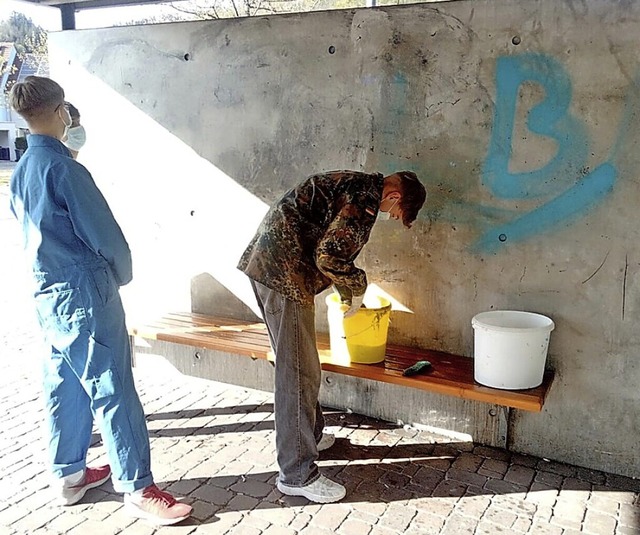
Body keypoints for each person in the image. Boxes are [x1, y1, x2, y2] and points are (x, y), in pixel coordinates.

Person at [8, 76, 193, 526]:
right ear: (59, 113)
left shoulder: (21, 171)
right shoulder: (65, 170)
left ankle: (70, 474)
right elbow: (105, 236)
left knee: (63, 382)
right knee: (112, 386)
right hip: (84, 292)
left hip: (46, 292)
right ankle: (137, 486)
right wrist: (122, 274)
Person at [238, 170, 427, 503]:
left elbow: (323, 242)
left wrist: (344, 287)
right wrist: (357, 285)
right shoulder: (364, 202)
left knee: (301, 365)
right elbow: (329, 255)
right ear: (394, 196)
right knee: (296, 373)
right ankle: (297, 473)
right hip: (285, 277)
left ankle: (310, 435)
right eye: (394, 213)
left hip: (268, 266)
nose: (388, 215)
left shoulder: (356, 184)